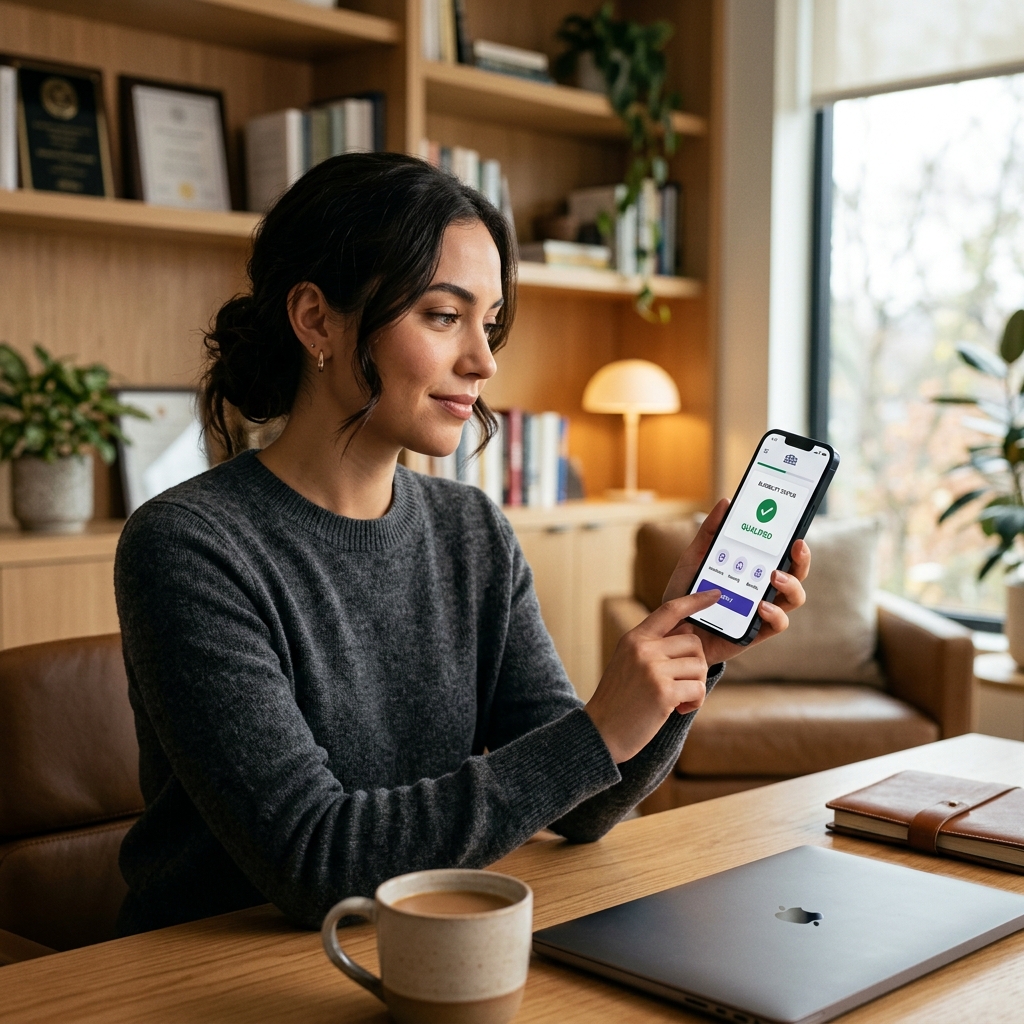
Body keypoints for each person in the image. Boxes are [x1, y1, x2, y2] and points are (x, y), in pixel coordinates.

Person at [114, 153, 809, 936]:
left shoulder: (471, 530)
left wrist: (685, 653)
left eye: (489, 322)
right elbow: (316, 865)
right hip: (209, 965)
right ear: (316, 320)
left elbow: (582, 805)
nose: (484, 360)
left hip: (419, 938)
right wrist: (597, 732)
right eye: (445, 316)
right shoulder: (189, 545)